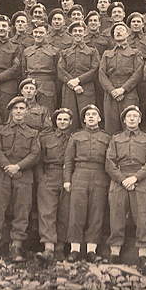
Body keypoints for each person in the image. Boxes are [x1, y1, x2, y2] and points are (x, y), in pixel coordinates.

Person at [0, 96, 40, 266]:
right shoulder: (0, 130)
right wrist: (8, 166)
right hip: (2, 173)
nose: (19, 111)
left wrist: (18, 167)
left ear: (26, 111)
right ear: (11, 111)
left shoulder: (33, 133)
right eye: (16, 108)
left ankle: (16, 247)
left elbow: (35, 154)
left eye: (22, 108)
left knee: (22, 210)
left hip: (24, 174)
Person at [105, 105, 146, 274]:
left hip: (140, 179)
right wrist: (123, 180)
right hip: (119, 179)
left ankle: (143, 254)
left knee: (143, 217)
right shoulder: (116, 139)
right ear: (124, 120)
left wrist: (135, 178)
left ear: (140, 119)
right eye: (129, 116)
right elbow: (109, 162)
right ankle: (115, 253)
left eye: (135, 116)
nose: (132, 119)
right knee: (116, 215)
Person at [63, 105, 111, 262]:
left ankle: (92, 250)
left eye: (94, 114)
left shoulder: (106, 138)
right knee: (77, 212)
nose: (91, 117)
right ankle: (74, 249)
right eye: (88, 115)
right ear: (84, 119)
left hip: (100, 176)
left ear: (99, 118)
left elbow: (110, 161)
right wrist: (67, 180)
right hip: (80, 175)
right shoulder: (76, 137)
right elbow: (68, 160)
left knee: (96, 213)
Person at [35, 108, 73, 262]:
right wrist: (41, 179)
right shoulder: (45, 138)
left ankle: (60, 249)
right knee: (47, 212)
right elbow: (38, 159)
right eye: (59, 119)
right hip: (49, 176)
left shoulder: (74, 138)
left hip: (68, 177)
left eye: (65, 119)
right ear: (55, 121)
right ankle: (48, 248)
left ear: (70, 122)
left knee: (65, 212)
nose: (62, 122)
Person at [99, 22, 144, 134]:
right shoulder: (107, 53)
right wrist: (112, 90)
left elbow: (138, 73)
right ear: (113, 35)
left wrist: (123, 89)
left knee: (130, 125)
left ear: (128, 34)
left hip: (129, 93)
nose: (118, 32)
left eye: (121, 29)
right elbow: (102, 74)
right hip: (110, 94)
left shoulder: (135, 53)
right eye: (116, 31)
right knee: (111, 128)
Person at [58, 21, 100, 128]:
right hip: (69, 87)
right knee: (69, 117)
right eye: (75, 31)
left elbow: (95, 70)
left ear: (85, 33)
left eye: (80, 31)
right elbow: (60, 70)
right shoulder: (65, 52)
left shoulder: (92, 51)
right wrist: (73, 83)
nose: (77, 33)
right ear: (71, 34)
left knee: (87, 116)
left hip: (86, 87)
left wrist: (78, 80)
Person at [22, 22, 60, 113]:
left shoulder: (55, 51)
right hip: (30, 86)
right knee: (29, 112)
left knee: (47, 113)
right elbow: (23, 71)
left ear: (47, 33)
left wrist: (54, 89)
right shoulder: (26, 51)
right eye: (35, 32)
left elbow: (58, 73)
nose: (38, 35)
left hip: (48, 87)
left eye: (41, 32)